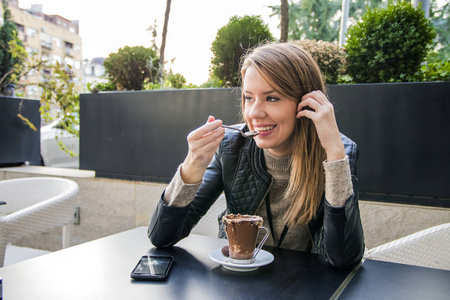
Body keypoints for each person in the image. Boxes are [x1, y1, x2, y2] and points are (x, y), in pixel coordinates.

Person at [148, 42, 365, 269]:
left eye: (272, 98)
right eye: (249, 98)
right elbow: (162, 237)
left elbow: (344, 260)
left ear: (307, 103)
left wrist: (335, 156)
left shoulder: (338, 153)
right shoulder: (232, 147)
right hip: (236, 281)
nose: (254, 113)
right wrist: (193, 164)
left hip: (305, 285)